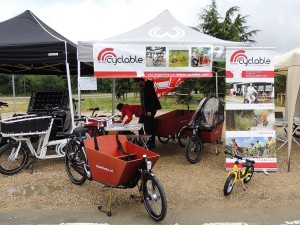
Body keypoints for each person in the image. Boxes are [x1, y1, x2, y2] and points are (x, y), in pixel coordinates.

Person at [134, 78, 162, 148]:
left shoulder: (149, 87)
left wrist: (149, 110)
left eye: (137, 83)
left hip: (151, 110)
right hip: (145, 110)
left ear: (140, 81)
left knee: (148, 126)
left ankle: (151, 142)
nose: (136, 84)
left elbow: (151, 100)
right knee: (140, 124)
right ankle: (142, 140)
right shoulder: (142, 88)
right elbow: (144, 101)